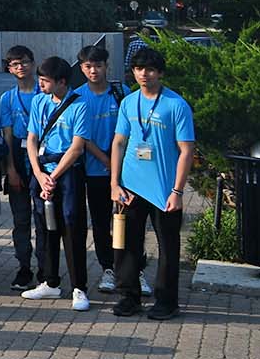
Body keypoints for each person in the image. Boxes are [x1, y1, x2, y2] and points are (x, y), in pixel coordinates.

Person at [110, 46, 193, 320]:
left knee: (168, 247)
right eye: (138, 69)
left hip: (165, 190)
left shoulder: (176, 105)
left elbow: (186, 150)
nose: (144, 74)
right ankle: (128, 296)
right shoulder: (128, 102)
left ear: (160, 72)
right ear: (132, 71)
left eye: (150, 69)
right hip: (131, 187)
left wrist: (178, 191)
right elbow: (119, 142)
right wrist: (115, 183)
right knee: (127, 244)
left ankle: (166, 301)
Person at [22, 55, 92, 311]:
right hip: (42, 171)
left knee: (71, 226)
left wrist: (53, 176)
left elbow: (76, 147)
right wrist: (40, 174)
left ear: (62, 82)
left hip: (67, 173)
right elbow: (31, 140)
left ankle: (79, 287)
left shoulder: (79, 105)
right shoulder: (39, 101)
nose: (40, 84)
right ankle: (49, 281)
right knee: (44, 226)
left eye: (45, 80)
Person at [71, 43, 125, 293]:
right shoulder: (77, 97)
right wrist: (105, 160)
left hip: (125, 171)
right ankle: (108, 268)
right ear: (82, 69)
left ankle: (134, 269)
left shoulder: (120, 92)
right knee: (101, 221)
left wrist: (117, 162)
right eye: (88, 66)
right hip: (94, 170)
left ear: (106, 66)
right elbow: (80, 137)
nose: (94, 71)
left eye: (98, 65)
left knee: (128, 220)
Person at [0, 44, 42, 291]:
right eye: (15, 64)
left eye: (24, 62)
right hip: (17, 155)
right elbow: (6, 135)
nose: (21, 67)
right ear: (9, 68)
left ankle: (46, 268)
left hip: (42, 158)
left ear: (33, 63)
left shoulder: (43, 93)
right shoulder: (7, 98)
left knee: (44, 217)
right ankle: (24, 267)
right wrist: (10, 169)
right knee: (21, 219)